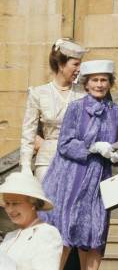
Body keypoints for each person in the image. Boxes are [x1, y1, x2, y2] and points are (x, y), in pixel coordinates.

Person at [40, 60, 118, 270]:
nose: (99, 84)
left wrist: (115, 154)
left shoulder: (114, 111)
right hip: (72, 176)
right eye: (94, 80)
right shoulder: (76, 108)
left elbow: (113, 144)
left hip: (99, 178)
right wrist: (92, 147)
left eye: (103, 80)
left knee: (96, 232)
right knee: (67, 229)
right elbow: (65, 144)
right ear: (86, 84)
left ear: (110, 83)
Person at [20, 38, 87, 180]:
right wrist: (25, 166)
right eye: (75, 64)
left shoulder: (83, 93)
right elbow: (28, 133)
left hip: (76, 162)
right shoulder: (38, 93)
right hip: (47, 162)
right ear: (61, 65)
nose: (79, 69)